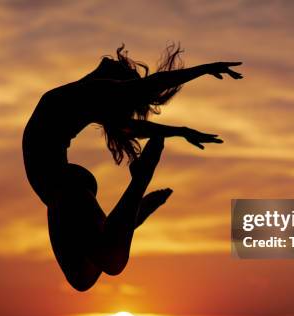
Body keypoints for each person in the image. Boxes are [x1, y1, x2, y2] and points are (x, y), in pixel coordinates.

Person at [22, 44, 242, 291]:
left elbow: (135, 113)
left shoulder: (88, 94)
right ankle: (133, 207)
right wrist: (203, 72)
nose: (108, 61)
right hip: (62, 185)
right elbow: (141, 102)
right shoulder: (88, 92)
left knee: (108, 262)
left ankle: (138, 185)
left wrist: (181, 128)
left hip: (64, 184)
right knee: (84, 276)